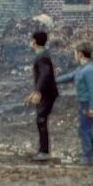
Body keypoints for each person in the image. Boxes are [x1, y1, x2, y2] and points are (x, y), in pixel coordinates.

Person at [57, 43, 93, 165]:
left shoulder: (89, 71)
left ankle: (87, 157)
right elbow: (70, 76)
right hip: (83, 103)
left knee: (84, 130)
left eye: (75, 53)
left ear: (81, 54)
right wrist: (54, 81)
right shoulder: (81, 69)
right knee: (87, 128)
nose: (74, 56)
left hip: (87, 104)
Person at [24, 30, 58, 161]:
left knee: (41, 119)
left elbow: (45, 74)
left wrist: (38, 91)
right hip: (46, 92)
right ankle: (43, 150)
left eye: (31, 40)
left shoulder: (42, 57)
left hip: (47, 93)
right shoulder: (42, 54)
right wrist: (34, 92)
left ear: (34, 41)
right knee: (40, 119)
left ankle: (44, 151)